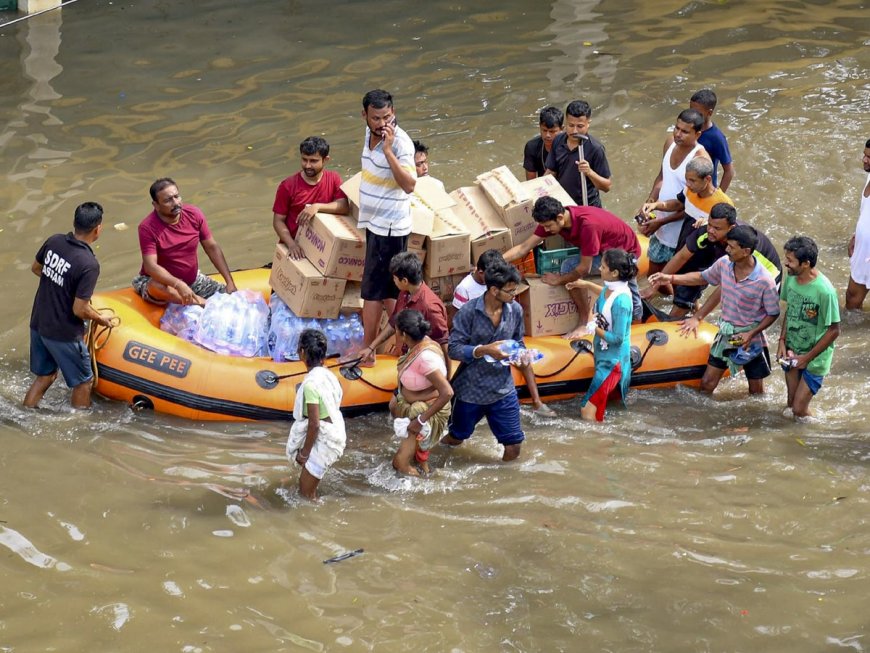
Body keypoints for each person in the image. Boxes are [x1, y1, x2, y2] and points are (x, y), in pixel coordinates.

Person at [649, 225, 780, 396]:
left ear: (746, 251)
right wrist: (669, 277)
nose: (727, 250)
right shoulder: (725, 264)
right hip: (725, 334)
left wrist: (752, 333)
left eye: (732, 247)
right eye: (727, 245)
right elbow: (701, 277)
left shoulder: (764, 281)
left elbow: (773, 313)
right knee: (707, 385)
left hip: (749, 339)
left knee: (756, 391)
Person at [503, 196, 643, 338]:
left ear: (559, 217)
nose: (545, 230)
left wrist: (559, 280)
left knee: (628, 292)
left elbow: (584, 269)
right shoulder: (555, 219)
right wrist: (497, 261)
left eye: (548, 226)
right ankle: (586, 319)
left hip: (625, 253)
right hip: (603, 248)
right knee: (569, 266)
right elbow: (523, 248)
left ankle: (590, 321)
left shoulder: (588, 226)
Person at [24, 202, 113, 409]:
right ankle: (78, 425)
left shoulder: (54, 241)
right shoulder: (88, 264)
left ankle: (26, 411)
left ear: (74, 222)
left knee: (45, 376)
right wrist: (101, 318)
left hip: (39, 322)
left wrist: (59, 285)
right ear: (98, 229)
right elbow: (79, 309)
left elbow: (37, 268)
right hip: (62, 332)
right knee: (83, 382)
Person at [440, 261, 529, 461]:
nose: (514, 295)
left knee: (514, 446)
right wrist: (483, 350)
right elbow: (454, 349)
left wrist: (521, 354)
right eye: (510, 291)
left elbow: (518, 341)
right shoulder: (469, 312)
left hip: (502, 389)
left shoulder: (515, 310)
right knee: (456, 438)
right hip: (471, 391)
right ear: (494, 290)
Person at [358, 89, 417, 349]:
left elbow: (409, 185)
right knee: (387, 289)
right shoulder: (368, 134)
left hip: (390, 229)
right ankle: (397, 346)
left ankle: (369, 350)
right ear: (365, 116)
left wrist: (389, 151)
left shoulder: (400, 143)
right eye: (376, 118)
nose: (383, 124)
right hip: (374, 224)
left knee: (375, 292)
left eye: (387, 117)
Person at [649, 203, 781, 318]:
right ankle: (692, 305)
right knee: (693, 261)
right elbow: (682, 257)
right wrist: (655, 285)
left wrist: (698, 318)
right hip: (734, 259)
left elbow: (726, 285)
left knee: (743, 313)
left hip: (768, 272)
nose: (711, 231)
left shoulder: (741, 249)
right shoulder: (708, 233)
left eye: (717, 228)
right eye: (710, 225)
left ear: (731, 228)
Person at [132, 178, 237, 307]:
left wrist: (229, 281)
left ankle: (199, 301)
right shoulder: (147, 227)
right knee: (156, 286)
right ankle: (204, 304)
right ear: (156, 205)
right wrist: (178, 284)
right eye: (168, 200)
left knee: (233, 298)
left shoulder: (194, 214)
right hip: (163, 284)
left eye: (177, 196)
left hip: (193, 280)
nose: (175, 203)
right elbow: (151, 267)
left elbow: (212, 247)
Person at [565, 249, 637, 421]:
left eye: (603, 267)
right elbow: (605, 294)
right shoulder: (611, 288)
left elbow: (618, 339)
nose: (599, 269)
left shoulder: (622, 302)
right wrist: (586, 285)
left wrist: (593, 327)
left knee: (587, 409)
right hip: (602, 356)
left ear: (614, 273)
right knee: (611, 404)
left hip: (612, 362)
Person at [639, 108, 710, 281]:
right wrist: (650, 203)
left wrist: (661, 222)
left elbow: (693, 206)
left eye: (685, 131)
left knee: (675, 280)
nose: (678, 134)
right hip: (660, 220)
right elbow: (662, 176)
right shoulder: (670, 142)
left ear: (697, 134)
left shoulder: (700, 160)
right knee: (653, 272)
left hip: (681, 231)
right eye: (676, 128)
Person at [778, 236, 840, 419]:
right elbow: (790, 310)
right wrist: (782, 341)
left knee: (798, 409)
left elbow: (834, 330)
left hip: (815, 359)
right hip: (791, 351)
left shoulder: (825, 291)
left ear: (805, 264)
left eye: (790, 261)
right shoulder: (790, 278)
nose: (786, 264)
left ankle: (814, 433)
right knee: (790, 402)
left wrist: (806, 358)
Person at [358, 252, 450, 372]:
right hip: (408, 358)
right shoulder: (404, 293)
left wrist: (448, 379)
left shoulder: (430, 308)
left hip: (425, 365)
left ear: (405, 281)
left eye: (395, 278)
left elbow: (443, 344)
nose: (393, 281)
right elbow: (394, 322)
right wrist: (371, 348)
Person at [390, 309, 453, 476]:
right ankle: (422, 466)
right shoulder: (419, 344)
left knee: (399, 463)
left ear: (403, 334)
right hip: (414, 404)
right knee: (417, 452)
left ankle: (419, 475)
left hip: (422, 411)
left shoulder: (426, 357)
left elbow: (447, 392)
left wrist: (420, 419)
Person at [285, 329, 346, 500]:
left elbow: (314, 424)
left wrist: (304, 453)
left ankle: (316, 522)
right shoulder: (328, 376)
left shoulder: (311, 384)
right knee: (305, 487)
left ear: (302, 352)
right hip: (334, 432)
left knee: (306, 495)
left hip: (327, 442)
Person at [271, 136, 349, 260]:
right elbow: (278, 221)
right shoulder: (287, 186)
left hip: (322, 249)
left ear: (325, 160)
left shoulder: (334, 179)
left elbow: (344, 206)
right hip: (294, 248)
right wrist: (291, 245)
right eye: (304, 160)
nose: (307, 165)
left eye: (313, 161)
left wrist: (317, 207)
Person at [544, 100, 612, 207]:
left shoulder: (595, 148)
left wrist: (589, 172)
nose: (574, 131)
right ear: (565, 122)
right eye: (571, 125)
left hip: (587, 205)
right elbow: (551, 171)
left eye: (580, 126)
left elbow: (607, 186)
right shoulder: (558, 140)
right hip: (563, 202)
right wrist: (539, 188)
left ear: (588, 124)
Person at [690, 89, 735, 192]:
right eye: (691, 110)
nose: (693, 115)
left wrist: (718, 196)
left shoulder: (716, 137)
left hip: (704, 189)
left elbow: (729, 171)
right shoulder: (688, 129)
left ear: (709, 112)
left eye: (698, 113)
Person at [845, 138, 870, 310]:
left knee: (853, 297)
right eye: (864, 155)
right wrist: (856, 236)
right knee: (852, 298)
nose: (864, 159)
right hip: (863, 247)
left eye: (869, 157)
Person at [523, 106, 564, 180]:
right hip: (543, 186)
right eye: (544, 130)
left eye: (552, 131)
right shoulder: (532, 147)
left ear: (562, 129)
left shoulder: (569, 146)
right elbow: (531, 181)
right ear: (539, 126)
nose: (547, 135)